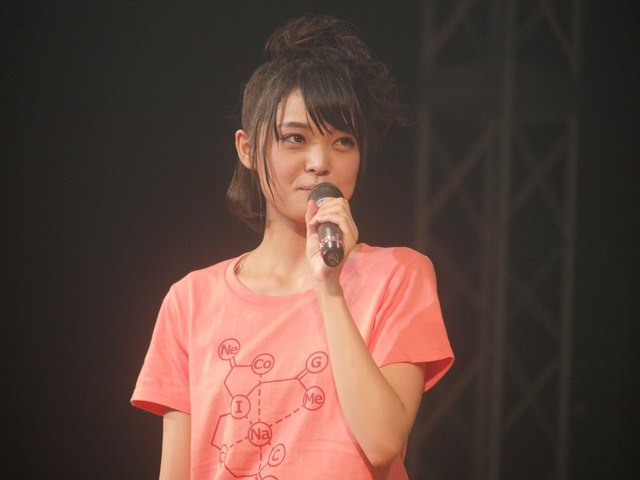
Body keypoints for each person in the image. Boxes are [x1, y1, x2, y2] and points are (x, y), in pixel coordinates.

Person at [131, 14, 453, 480]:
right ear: (246, 149)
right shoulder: (190, 301)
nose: (320, 162)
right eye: (296, 138)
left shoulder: (399, 275)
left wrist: (330, 286)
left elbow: (383, 441)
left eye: (343, 141)